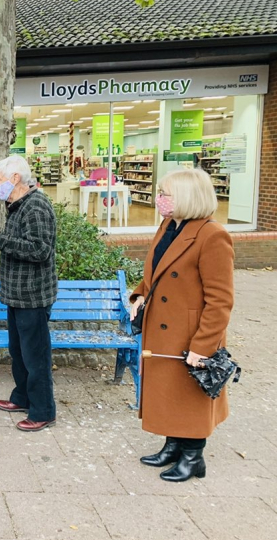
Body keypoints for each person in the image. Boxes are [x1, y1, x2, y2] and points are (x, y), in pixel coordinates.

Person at [129, 168, 234, 482]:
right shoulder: (168, 226)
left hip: (189, 332)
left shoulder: (212, 235)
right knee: (169, 392)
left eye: (166, 194)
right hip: (163, 328)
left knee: (189, 394)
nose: (159, 199)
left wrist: (203, 346)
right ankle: (173, 445)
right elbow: (155, 274)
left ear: (188, 197)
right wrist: (139, 295)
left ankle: (193, 457)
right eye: (160, 193)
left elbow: (220, 300)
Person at [0, 155, 58, 432]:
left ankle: (43, 411)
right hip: (17, 295)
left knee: (35, 357)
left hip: (32, 297)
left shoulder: (35, 206)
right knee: (19, 352)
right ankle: (22, 397)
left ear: (14, 179)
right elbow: (23, 243)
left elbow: (39, 250)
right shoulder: (18, 204)